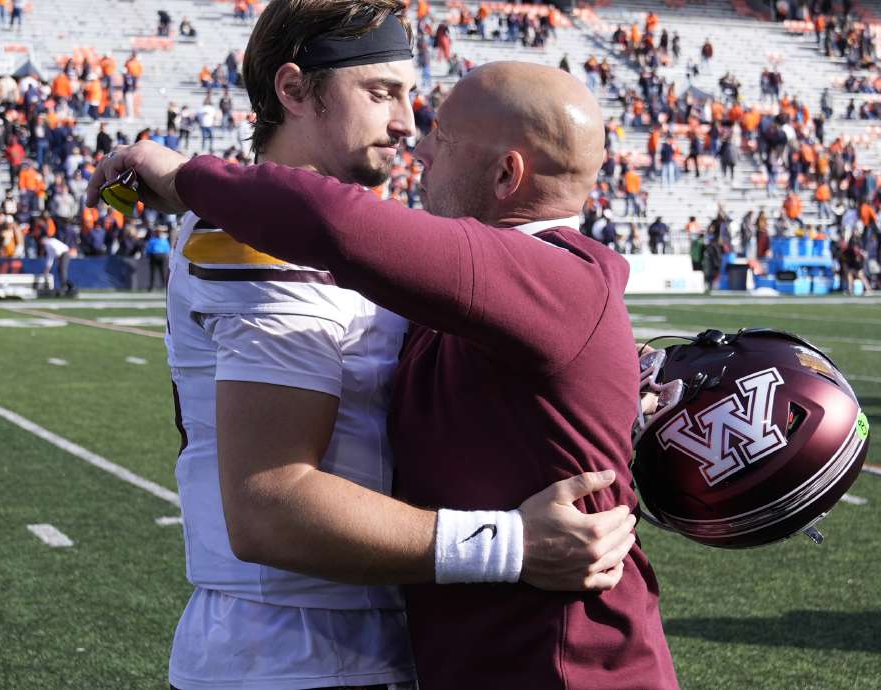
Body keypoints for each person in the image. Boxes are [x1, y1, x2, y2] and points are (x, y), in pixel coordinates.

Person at [86, 8, 636, 690]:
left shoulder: (383, 246)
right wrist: (510, 545)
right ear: (293, 91)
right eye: (381, 93)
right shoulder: (261, 247)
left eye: (410, 96)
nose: (407, 126)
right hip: (294, 654)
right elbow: (270, 509)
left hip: (370, 640)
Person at [143, 227, 169, 291]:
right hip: (161, 256)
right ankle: (164, 286)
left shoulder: (152, 240)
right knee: (162, 272)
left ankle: (152, 287)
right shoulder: (164, 240)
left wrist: (147, 254)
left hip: (154, 256)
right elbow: (168, 249)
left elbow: (148, 249)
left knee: (154, 272)